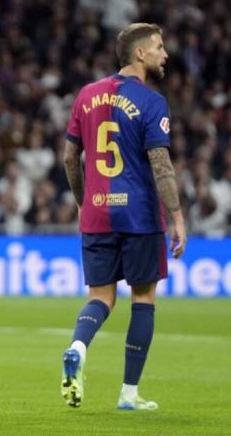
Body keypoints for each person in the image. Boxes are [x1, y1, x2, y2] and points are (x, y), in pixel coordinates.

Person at [61, 23, 186, 410]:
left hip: (97, 212)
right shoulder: (152, 101)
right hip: (139, 216)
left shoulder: (86, 95)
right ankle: (129, 394)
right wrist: (178, 215)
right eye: (159, 47)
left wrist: (83, 201)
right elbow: (161, 164)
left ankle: (78, 346)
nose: (165, 54)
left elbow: (70, 158)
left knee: (100, 297)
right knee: (144, 298)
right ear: (140, 54)